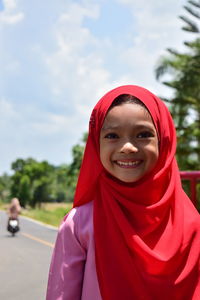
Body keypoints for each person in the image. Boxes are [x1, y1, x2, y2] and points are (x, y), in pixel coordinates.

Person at [46, 85, 200, 300]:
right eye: (112, 135)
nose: (127, 146)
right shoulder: (79, 224)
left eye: (143, 134)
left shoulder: (192, 225)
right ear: (95, 144)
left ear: (164, 140)